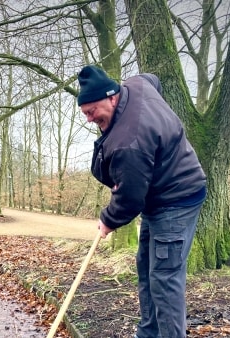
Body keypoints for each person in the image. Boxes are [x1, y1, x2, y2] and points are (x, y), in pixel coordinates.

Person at [77, 65, 207, 338]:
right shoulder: (136, 85)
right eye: (85, 113)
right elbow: (154, 79)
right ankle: (148, 334)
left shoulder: (129, 141)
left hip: (176, 200)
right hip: (158, 198)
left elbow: (129, 199)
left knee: (164, 278)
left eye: (92, 111)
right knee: (147, 269)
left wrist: (108, 220)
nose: (89, 119)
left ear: (112, 97)